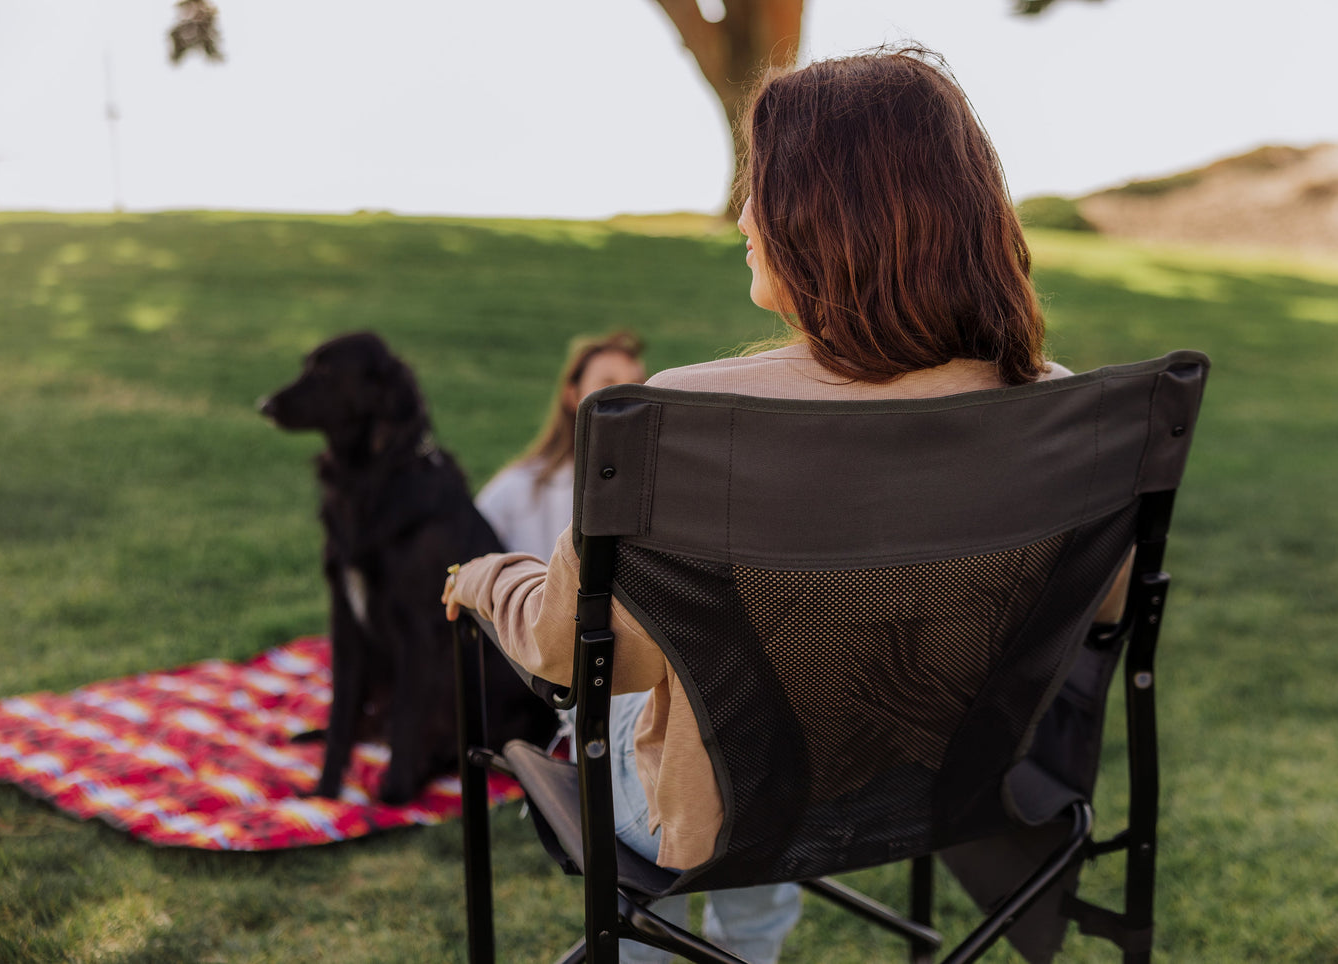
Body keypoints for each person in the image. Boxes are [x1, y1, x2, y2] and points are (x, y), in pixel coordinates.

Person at [443, 45, 1089, 963]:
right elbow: (1093, 610)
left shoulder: (689, 417)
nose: (744, 214)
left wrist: (484, 578)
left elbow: (568, 651)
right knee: (755, 692)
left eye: (763, 186)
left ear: (826, 217)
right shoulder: (1061, 409)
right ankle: (742, 946)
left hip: (730, 806)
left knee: (679, 706)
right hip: (947, 780)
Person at [475, 330, 645, 560]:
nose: (627, 397)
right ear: (574, 396)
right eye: (608, 384)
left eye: (637, 384)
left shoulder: (662, 488)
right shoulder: (515, 491)